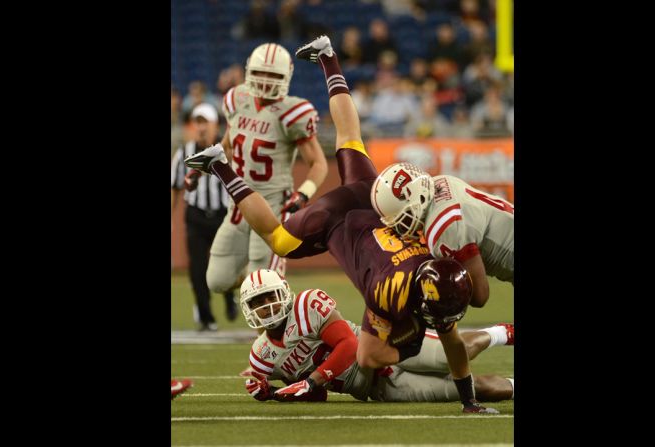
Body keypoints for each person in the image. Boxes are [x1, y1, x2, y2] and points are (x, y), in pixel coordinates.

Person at [185, 35, 493, 413]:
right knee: (279, 240)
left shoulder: (429, 262)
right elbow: (364, 354)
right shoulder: (388, 292)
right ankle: (219, 165)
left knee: (350, 137)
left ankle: (328, 57)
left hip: (373, 198)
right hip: (337, 220)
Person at [239, 269, 513, 404]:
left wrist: (310, 381)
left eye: (269, 298)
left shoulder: (306, 305)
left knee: (447, 357)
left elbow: (349, 345)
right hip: (378, 388)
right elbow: (317, 396)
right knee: (472, 389)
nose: (266, 308)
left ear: (284, 293)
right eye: (257, 303)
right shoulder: (262, 356)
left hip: (384, 346)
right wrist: (273, 392)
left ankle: (502, 333)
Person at [202, 42, 328, 303]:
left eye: (274, 75)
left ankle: (279, 328)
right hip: (237, 208)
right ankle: (254, 286)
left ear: (287, 77)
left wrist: (303, 194)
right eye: (261, 73)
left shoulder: (292, 112)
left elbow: (319, 163)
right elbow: (227, 144)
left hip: (272, 207)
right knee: (217, 280)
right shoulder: (236, 99)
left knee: (264, 283)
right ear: (249, 71)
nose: (266, 81)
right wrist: (206, 167)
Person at [369, 160, 514, 309]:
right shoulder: (441, 181)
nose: (401, 228)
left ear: (418, 197)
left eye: (403, 218)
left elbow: (480, 295)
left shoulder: (444, 227)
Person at [171, 103, 237, 331]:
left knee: (227, 265)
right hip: (196, 217)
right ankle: (207, 317)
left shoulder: (226, 149)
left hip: (222, 215)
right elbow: (175, 187)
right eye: (196, 122)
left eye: (204, 122)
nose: (200, 128)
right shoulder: (183, 152)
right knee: (197, 271)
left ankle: (230, 299)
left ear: (214, 125)